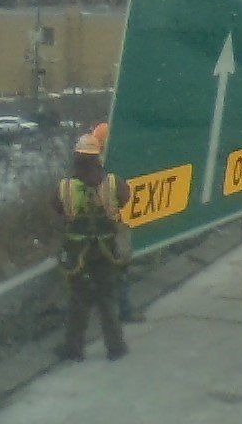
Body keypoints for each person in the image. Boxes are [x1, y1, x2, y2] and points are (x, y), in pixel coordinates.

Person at [53, 133, 129, 361]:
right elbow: (125, 200)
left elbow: (58, 208)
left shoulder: (65, 188)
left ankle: (74, 348)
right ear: (99, 157)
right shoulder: (114, 184)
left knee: (78, 301)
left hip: (77, 254)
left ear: (77, 158)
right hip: (106, 251)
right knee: (107, 299)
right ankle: (115, 347)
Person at [91, 121, 144, 323]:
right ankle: (124, 311)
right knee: (120, 271)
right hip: (111, 229)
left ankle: (109, 311)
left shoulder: (84, 172)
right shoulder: (112, 173)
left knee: (98, 275)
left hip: (88, 232)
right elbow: (123, 196)